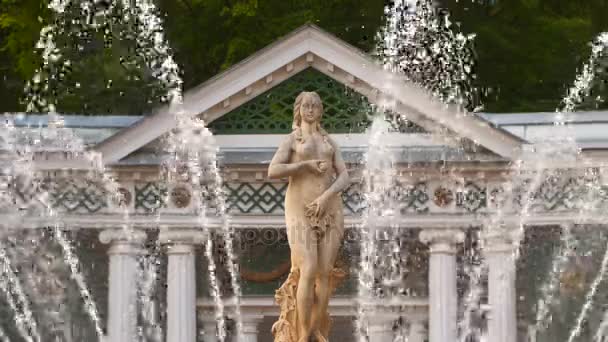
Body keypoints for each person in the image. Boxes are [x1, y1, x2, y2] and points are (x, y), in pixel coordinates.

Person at [269, 91, 350, 342]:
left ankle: (315, 328)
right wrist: (303, 166)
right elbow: (273, 170)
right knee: (309, 267)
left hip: (330, 208)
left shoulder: (329, 142)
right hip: (299, 207)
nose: (311, 109)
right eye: (306, 105)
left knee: (324, 271)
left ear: (320, 110)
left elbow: (345, 176)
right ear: (299, 109)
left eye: (315, 105)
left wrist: (326, 197)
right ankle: (303, 335)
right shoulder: (293, 140)